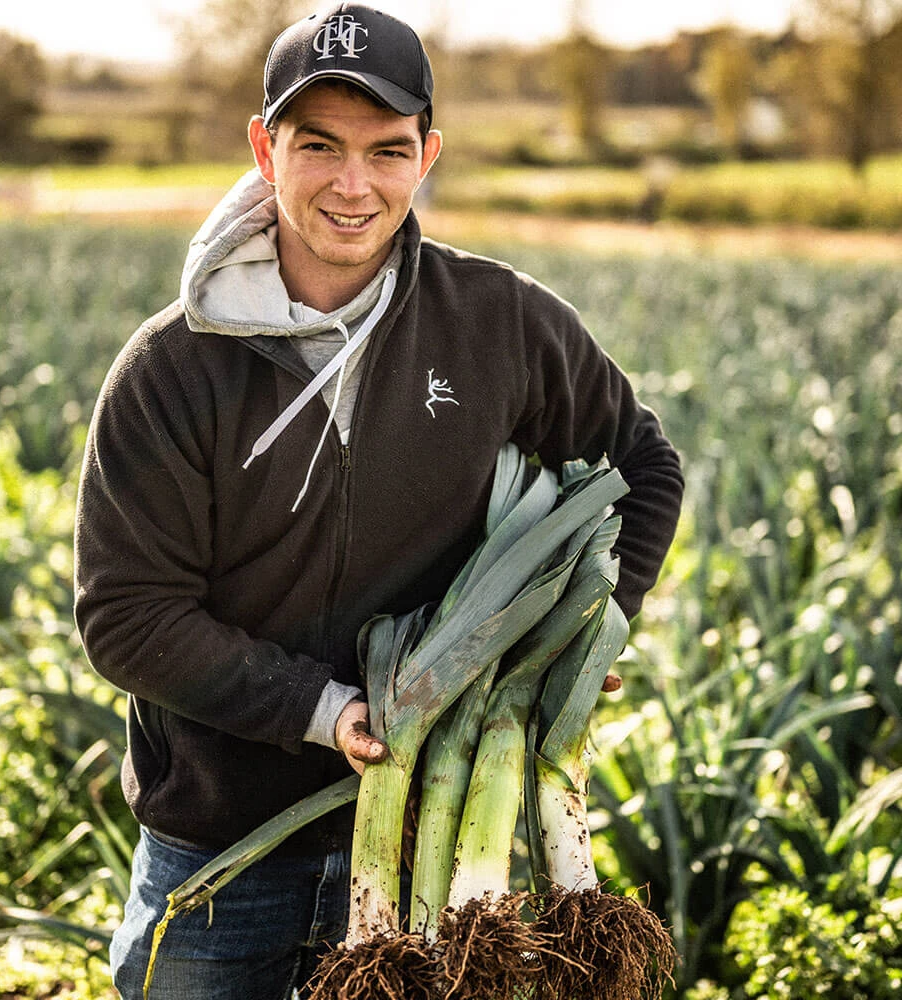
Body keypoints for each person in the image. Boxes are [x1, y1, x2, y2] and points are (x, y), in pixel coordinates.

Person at [73, 3, 684, 998]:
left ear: (426, 155)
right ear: (263, 151)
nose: (353, 185)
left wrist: (594, 634)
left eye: (386, 150)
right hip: (224, 857)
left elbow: (642, 461)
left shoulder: (497, 321)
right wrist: (324, 710)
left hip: (428, 854)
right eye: (318, 146)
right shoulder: (169, 369)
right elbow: (127, 616)